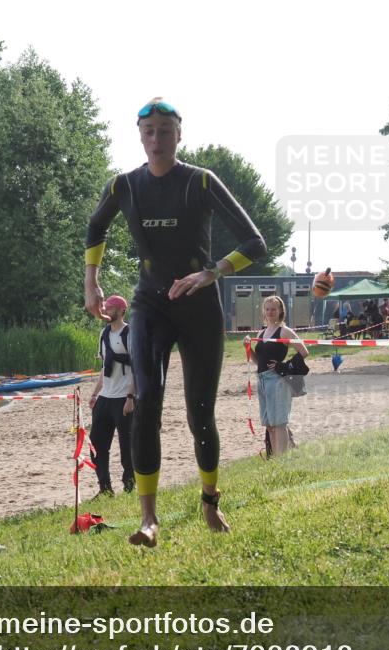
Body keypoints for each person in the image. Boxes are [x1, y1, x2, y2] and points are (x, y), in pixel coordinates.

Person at [83, 98, 266, 547]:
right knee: (145, 403)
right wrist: (92, 281)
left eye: (166, 130)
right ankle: (149, 520)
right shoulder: (124, 185)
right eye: (149, 131)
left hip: (199, 307)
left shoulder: (200, 181)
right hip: (151, 304)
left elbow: (255, 242)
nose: (157, 138)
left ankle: (210, 501)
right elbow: (95, 229)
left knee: (199, 412)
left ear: (179, 135)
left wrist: (211, 272)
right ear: (139, 136)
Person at [244, 296, 309, 457]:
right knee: (270, 424)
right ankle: (275, 460)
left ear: (280, 311)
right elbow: (258, 361)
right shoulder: (262, 332)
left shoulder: (285, 331)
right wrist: (248, 348)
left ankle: (282, 460)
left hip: (278, 380)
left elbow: (304, 352)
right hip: (263, 380)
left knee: (279, 423)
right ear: (263, 312)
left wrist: (285, 366)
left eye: (273, 309)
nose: (270, 312)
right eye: (267, 309)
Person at [88, 295, 136, 498]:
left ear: (122, 311)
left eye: (111, 307)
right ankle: (105, 488)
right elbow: (104, 366)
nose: (106, 310)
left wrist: (131, 397)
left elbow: (136, 368)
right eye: (106, 307)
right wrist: (95, 393)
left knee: (127, 447)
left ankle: (129, 485)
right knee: (96, 446)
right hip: (105, 398)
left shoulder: (130, 333)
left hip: (124, 398)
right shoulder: (104, 333)